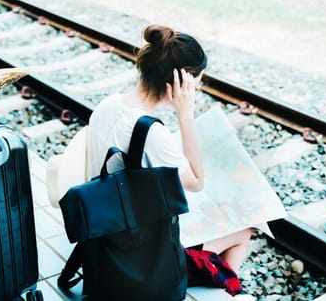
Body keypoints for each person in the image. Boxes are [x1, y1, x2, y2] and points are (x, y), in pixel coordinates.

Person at [86, 24, 252, 285]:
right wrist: (185, 115)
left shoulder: (107, 105)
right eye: (198, 81)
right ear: (181, 82)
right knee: (245, 231)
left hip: (105, 232)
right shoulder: (151, 133)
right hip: (142, 256)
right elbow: (197, 182)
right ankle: (210, 290)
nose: (198, 88)